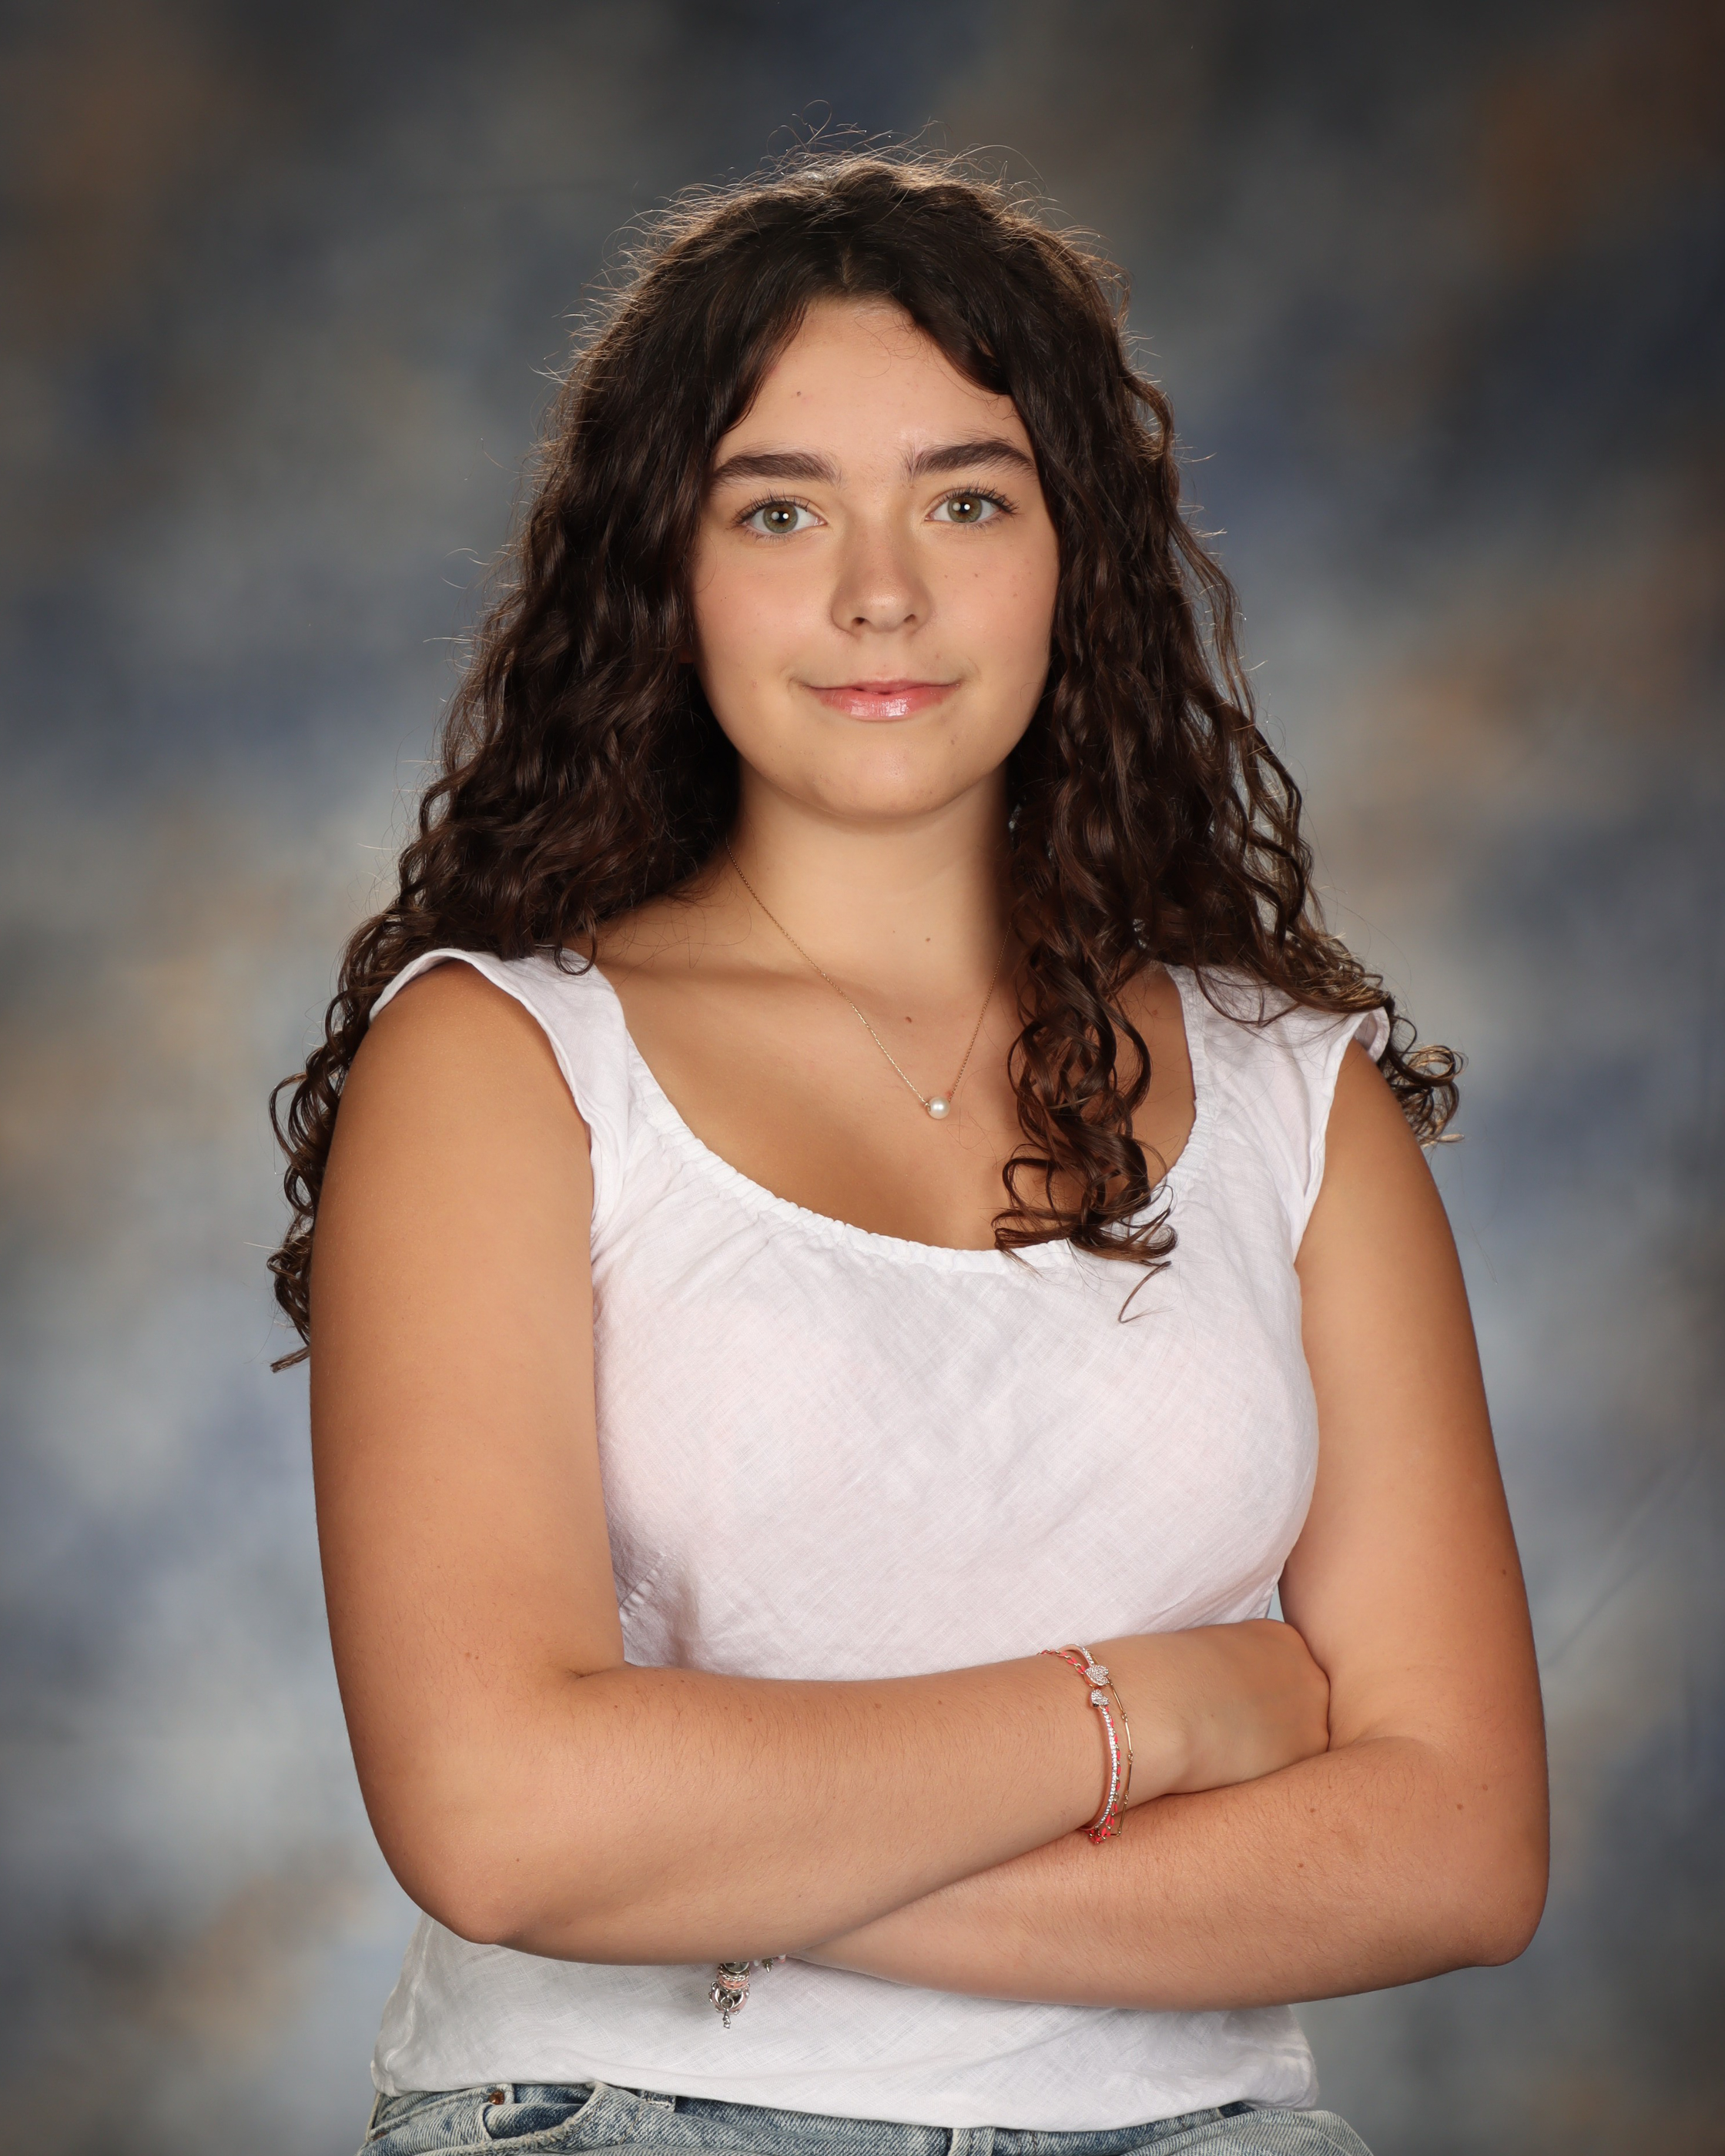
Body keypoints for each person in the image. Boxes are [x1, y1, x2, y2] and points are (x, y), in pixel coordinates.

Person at [271, 152, 1548, 2156]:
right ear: (666, 574)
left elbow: (1458, 1847)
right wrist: (1153, 1714)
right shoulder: (501, 1062)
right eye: (780, 510)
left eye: (967, 499)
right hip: (629, 2110)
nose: (882, 593)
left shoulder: (1304, 1097)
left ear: (1078, 558)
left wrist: (744, 1876)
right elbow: (502, 1823)